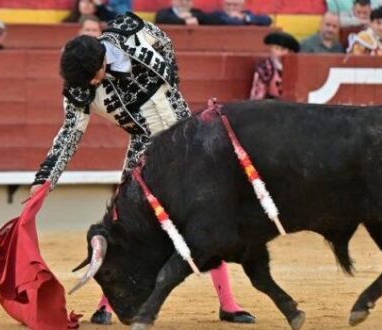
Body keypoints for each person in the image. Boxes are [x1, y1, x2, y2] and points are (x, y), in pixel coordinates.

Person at [30, 12, 255, 326]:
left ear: (101, 61)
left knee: (207, 217)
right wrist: (45, 179)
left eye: (93, 77)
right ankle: (106, 305)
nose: (92, 85)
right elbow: (69, 135)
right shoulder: (79, 88)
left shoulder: (130, 30)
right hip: (144, 147)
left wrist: (172, 84)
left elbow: (165, 42)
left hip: (186, 135)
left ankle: (228, 303)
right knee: (127, 226)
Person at [250, 31, 299, 100]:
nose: (279, 53)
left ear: (289, 51)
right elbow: (258, 94)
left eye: (283, 49)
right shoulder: (265, 67)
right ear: (271, 49)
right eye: (276, 48)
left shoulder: (295, 67)